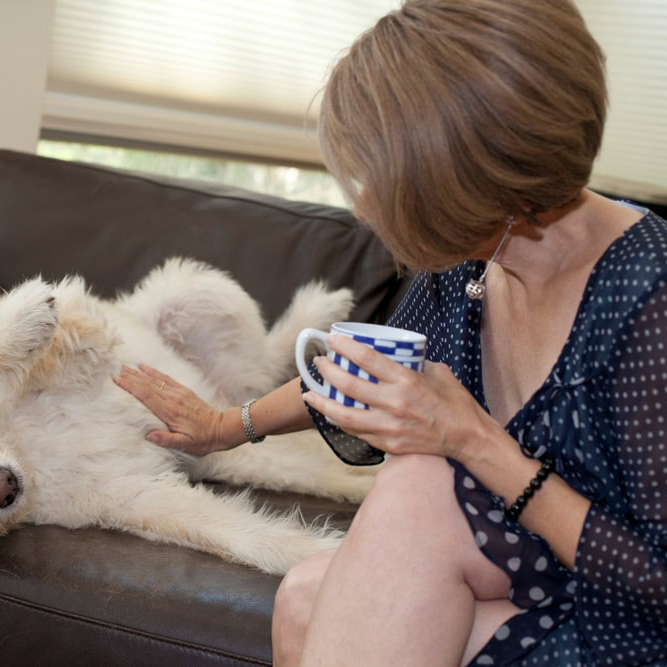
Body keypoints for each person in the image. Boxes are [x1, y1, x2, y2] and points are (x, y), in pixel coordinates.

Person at [113, 0, 667, 664]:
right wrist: (226, 425)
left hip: (628, 619)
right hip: (535, 577)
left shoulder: (647, 300)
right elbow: (356, 373)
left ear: (467, 178)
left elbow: (655, 581)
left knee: (421, 484)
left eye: (381, 175)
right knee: (304, 594)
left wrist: (474, 440)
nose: (367, 199)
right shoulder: (474, 262)